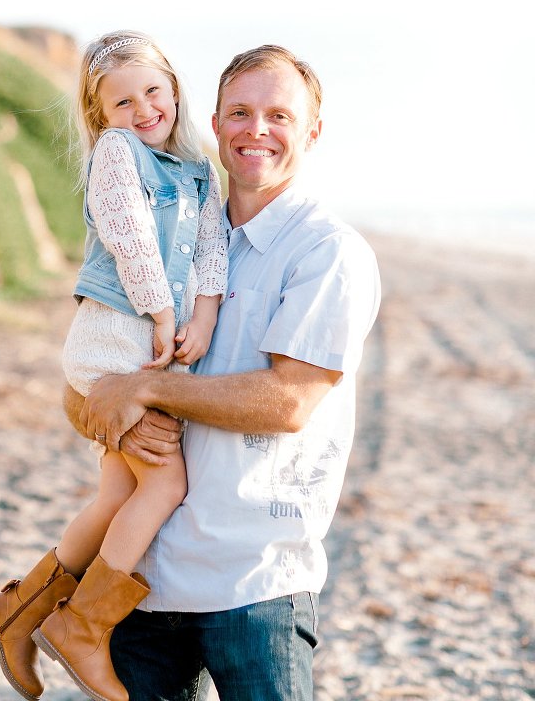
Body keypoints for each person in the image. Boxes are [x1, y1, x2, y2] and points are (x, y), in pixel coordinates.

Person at [67, 44, 382, 701]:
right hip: (146, 581)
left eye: (278, 115)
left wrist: (147, 388)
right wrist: (104, 411)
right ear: (212, 123)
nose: (256, 130)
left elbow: (289, 402)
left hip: (256, 584)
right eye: (239, 112)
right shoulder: (173, 245)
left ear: (313, 133)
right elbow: (92, 392)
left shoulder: (327, 253)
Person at [0, 31, 228, 701]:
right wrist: (167, 317)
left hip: (144, 343)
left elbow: (210, 247)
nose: (143, 108)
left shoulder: (198, 167)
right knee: (164, 484)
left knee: (119, 494)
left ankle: (19, 612)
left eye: (153, 91)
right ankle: (84, 628)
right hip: (117, 340)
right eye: (122, 102)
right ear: (101, 117)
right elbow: (133, 240)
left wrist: (203, 312)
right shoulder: (118, 155)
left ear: (174, 87)